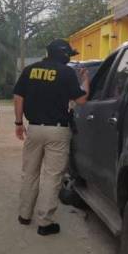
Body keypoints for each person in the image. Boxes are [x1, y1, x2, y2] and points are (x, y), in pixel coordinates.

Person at [13, 39, 89, 236]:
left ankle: (24, 215)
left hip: (34, 129)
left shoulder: (30, 70)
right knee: (52, 176)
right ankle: (45, 223)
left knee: (30, 172)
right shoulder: (67, 73)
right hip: (57, 131)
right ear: (63, 54)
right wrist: (85, 80)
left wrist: (19, 123)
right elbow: (81, 99)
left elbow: (18, 96)